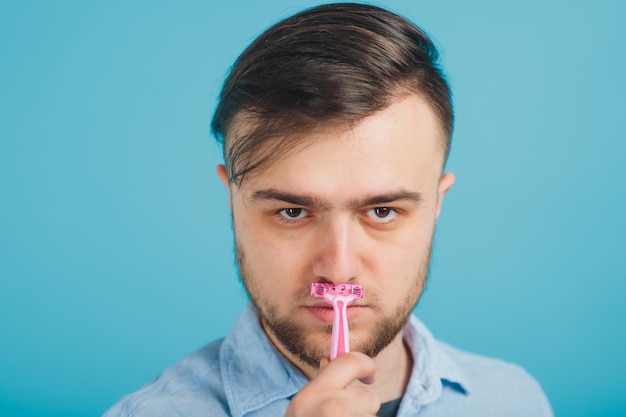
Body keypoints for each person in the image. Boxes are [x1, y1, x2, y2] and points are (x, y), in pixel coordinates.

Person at [103, 3, 553, 416]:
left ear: (437, 204)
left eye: (382, 211)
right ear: (232, 200)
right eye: (293, 212)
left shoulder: (514, 401)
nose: (338, 271)